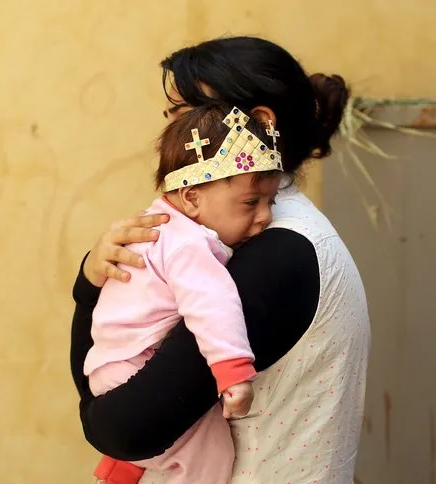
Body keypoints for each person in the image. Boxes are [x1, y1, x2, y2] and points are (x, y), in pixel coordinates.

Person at [70, 36, 370, 483]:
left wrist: (88, 294)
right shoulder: (238, 235)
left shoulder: (277, 254)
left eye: (187, 116)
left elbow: (121, 427)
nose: (169, 134)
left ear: (258, 122)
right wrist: (96, 273)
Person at [86, 105, 282, 483]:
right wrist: (233, 373)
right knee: (210, 455)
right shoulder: (190, 245)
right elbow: (213, 304)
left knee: (177, 431)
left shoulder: (159, 227)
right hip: (135, 365)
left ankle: (121, 466)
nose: (266, 216)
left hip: (111, 364)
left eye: (270, 201)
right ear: (192, 197)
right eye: (250, 203)